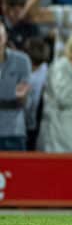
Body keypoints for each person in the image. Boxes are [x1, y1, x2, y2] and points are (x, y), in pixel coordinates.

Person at [0, 20, 32, 151]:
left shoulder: (22, 61)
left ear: (5, 36)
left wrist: (21, 98)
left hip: (13, 134)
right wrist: (9, 101)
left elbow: (24, 102)